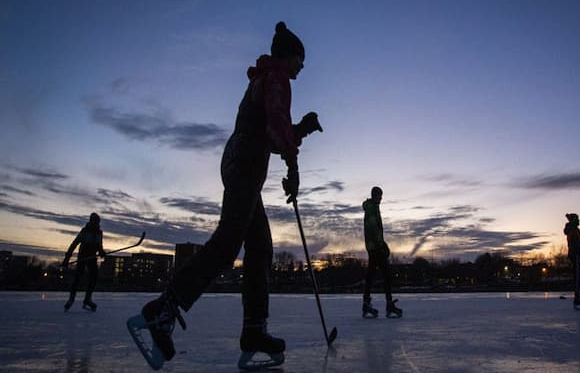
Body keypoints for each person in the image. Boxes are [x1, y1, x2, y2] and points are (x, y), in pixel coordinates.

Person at [128, 21, 322, 371]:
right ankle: (164, 310)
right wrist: (293, 167)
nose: (302, 67)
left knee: (261, 247)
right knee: (230, 239)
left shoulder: (266, 78)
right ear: (288, 56)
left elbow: (275, 131)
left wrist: (301, 131)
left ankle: (254, 331)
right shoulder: (276, 76)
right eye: (300, 59)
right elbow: (277, 130)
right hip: (245, 164)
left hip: (241, 163)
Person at [362, 186, 402, 318]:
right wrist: (382, 245)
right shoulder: (372, 208)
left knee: (372, 275)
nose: (381, 198)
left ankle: (367, 303)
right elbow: (375, 229)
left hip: (372, 247)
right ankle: (388, 304)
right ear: (375, 196)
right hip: (376, 248)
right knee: (386, 275)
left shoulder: (371, 208)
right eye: (380, 196)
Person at [62, 212, 106, 312]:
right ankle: (71, 299)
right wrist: (67, 258)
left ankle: (87, 299)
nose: (96, 223)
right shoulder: (85, 231)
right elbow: (75, 243)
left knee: (93, 278)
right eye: (94, 221)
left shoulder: (99, 233)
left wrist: (102, 252)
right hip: (82, 257)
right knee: (77, 278)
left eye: (97, 221)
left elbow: (99, 246)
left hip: (92, 258)